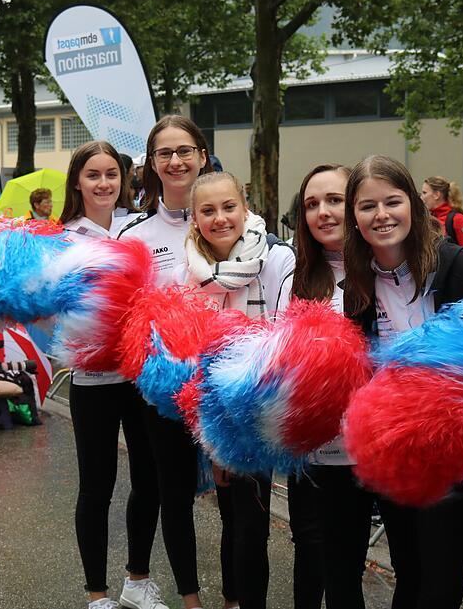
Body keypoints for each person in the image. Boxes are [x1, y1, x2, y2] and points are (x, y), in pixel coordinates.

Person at [342, 155, 463, 609]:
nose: (382, 215)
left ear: (414, 204)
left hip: (453, 459)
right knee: (407, 576)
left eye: (393, 201)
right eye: (368, 206)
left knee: (440, 587)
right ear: (355, 217)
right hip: (394, 456)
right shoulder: (356, 284)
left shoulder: (460, 268)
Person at [177, 171, 294, 609]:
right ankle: (232, 600)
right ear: (195, 218)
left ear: (245, 209)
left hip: (262, 409)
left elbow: (286, 336)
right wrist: (212, 438)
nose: (220, 218)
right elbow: (189, 356)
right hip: (215, 415)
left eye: (229, 207)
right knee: (233, 520)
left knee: (251, 525)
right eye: (208, 210)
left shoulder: (278, 259)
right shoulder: (185, 272)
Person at [61, 141, 167, 609]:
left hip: (143, 375)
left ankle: (137, 582)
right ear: (77, 182)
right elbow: (54, 310)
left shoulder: (139, 227)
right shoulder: (63, 238)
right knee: (96, 487)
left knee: (150, 482)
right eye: (93, 175)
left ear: (125, 180)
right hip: (93, 379)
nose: (104, 184)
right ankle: (97, 594)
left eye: (111, 175)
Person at [116, 114, 213, 609]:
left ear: (201, 154)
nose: (175, 161)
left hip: (222, 381)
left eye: (184, 151)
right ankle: (189, 598)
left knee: (240, 497)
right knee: (169, 492)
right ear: (152, 165)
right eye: (164, 154)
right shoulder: (134, 235)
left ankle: (237, 597)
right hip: (161, 387)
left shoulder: (233, 218)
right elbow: (120, 313)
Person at [291, 163, 356, 609]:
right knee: (312, 560)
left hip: (371, 451)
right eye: (312, 204)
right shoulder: (294, 276)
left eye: (334, 200)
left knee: (348, 573)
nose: (323, 212)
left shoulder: (388, 270)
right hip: (313, 454)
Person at [419, 176, 463, 253]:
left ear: (436, 195)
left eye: (424, 193)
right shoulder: (428, 218)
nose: (421, 197)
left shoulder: (457, 219)